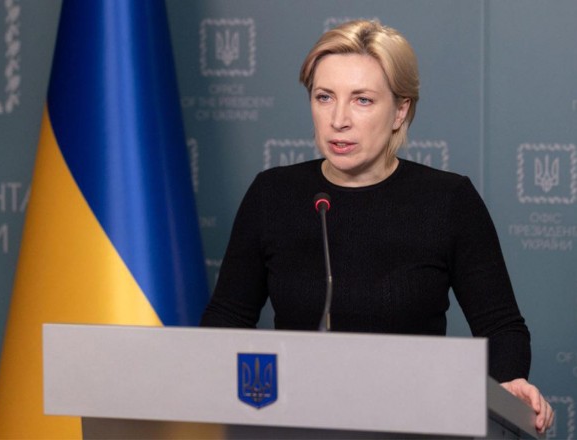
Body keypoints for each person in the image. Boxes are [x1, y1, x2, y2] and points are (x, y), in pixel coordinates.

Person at [201, 19, 553, 433]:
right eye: (324, 97)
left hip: (416, 424)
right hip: (294, 424)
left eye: (362, 100)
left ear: (400, 110)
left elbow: (501, 327)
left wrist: (509, 382)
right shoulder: (273, 194)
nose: (338, 119)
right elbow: (226, 320)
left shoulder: (447, 200)